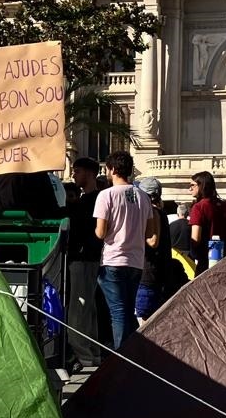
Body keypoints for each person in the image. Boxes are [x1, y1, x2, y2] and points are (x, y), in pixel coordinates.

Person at [94, 151, 159, 347]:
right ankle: (132, 355)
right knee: (128, 310)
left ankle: (121, 358)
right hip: (136, 261)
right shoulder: (143, 197)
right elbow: (150, 234)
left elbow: (101, 232)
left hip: (113, 259)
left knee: (118, 312)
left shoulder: (106, 195)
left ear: (112, 169)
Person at [65, 157, 107, 366]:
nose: (73, 174)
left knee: (79, 308)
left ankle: (83, 354)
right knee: (87, 308)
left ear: (90, 173)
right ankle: (92, 352)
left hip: (83, 257)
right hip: (89, 257)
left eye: (78, 171)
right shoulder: (92, 199)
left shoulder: (93, 200)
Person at [134, 177, 186, 323]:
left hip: (148, 276)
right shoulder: (160, 212)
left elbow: (153, 241)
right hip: (157, 276)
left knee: (144, 323)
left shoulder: (152, 211)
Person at [185, 170, 226, 272]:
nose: (189, 189)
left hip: (206, 263)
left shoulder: (198, 207)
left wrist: (194, 254)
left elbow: (196, 238)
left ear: (202, 186)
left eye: (192, 185)